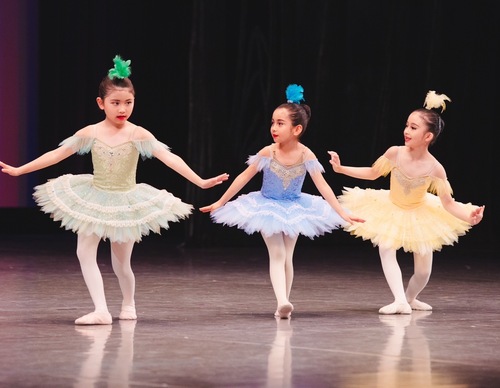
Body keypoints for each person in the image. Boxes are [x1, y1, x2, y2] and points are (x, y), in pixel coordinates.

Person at [0, 55, 229, 325]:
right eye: (116, 103)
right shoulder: (91, 132)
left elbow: (170, 158)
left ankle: (128, 302)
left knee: (121, 263)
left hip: (125, 200)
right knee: (84, 252)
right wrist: (20, 170)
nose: (123, 109)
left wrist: (200, 181)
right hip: (94, 197)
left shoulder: (138, 134)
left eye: (128, 102)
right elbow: (56, 154)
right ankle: (101, 310)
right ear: (101, 103)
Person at [200, 84, 363, 319]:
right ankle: (283, 301)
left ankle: (283, 306)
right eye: (273, 123)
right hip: (266, 207)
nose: (274, 128)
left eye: (280, 123)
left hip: (295, 208)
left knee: (288, 257)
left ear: (297, 129)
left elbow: (323, 187)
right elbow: (243, 177)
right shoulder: (268, 152)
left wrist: (341, 212)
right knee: (277, 253)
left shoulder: (306, 155)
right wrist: (220, 202)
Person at [328, 90, 485, 315]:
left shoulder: (436, 169)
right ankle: (399, 300)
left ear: (428, 136)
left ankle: (410, 298)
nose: (406, 131)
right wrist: (341, 168)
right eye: (406, 125)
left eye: (413, 127)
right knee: (386, 248)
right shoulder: (395, 153)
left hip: (420, 214)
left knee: (423, 272)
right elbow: (373, 173)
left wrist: (470, 217)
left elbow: (449, 203)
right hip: (391, 207)